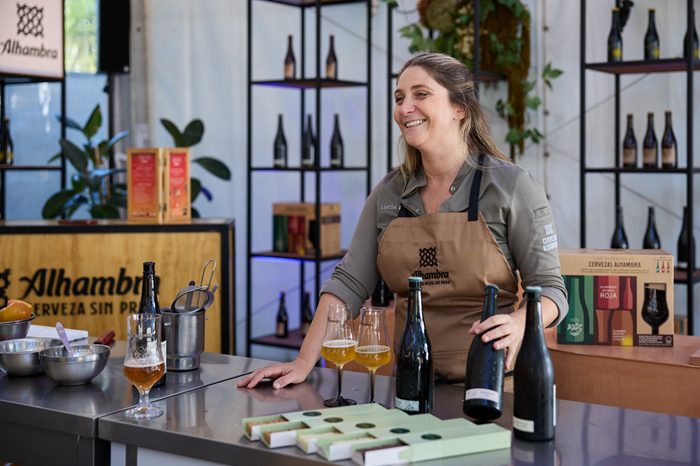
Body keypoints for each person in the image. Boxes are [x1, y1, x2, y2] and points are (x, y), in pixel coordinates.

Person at [239, 51, 568, 388]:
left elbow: (553, 293)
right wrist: (302, 361)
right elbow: (348, 284)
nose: (404, 108)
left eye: (420, 94)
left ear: (460, 108)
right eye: (399, 98)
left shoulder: (513, 186)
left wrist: (518, 321)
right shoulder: (389, 193)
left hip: (495, 387)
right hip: (411, 385)